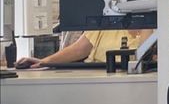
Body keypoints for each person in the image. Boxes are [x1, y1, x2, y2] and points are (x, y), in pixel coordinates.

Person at [15, 28, 154, 68]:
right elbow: (78, 50)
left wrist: (147, 22)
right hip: (95, 84)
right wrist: (43, 62)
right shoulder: (105, 25)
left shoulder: (152, 29)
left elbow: (143, 56)